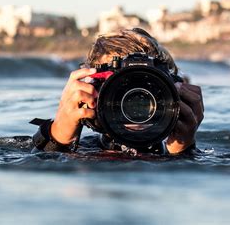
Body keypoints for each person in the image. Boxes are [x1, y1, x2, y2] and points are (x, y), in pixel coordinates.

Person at [30, 28, 204, 156]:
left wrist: (182, 149)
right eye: (119, 87)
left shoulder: (82, 156)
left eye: (148, 88)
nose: (133, 101)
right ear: (91, 91)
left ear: (174, 94)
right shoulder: (84, 149)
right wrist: (59, 135)